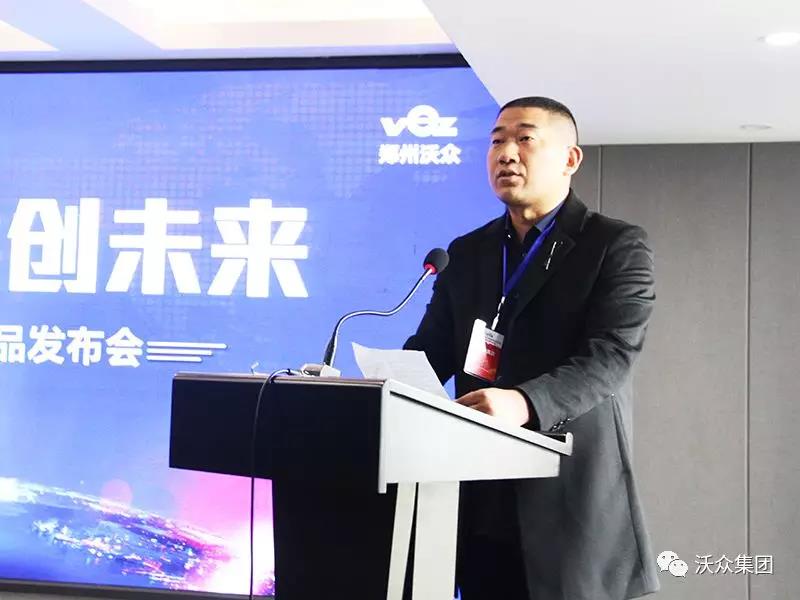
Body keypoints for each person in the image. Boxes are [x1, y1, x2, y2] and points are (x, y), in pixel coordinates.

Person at [404, 96, 660, 600]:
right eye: (497, 140)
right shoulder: (467, 252)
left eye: (525, 138)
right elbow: (431, 352)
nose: (506, 153)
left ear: (570, 158)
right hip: (479, 499)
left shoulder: (614, 245)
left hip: (570, 501)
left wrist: (524, 402)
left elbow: (611, 355)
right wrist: (379, 385)